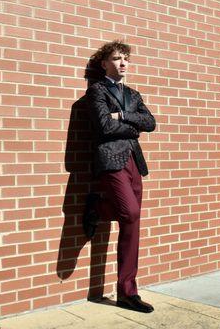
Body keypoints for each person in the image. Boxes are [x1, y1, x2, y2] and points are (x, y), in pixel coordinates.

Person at [83, 40, 156, 313]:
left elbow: (150, 123)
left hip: (134, 161)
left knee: (133, 221)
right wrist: (131, 124)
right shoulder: (96, 91)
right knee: (131, 213)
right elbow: (103, 126)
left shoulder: (134, 94)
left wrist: (123, 115)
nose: (123, 63)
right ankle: (99, 206)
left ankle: (128, 292)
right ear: (104, 63)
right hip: (110, 160)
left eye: (126, 59)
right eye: (116, 58)